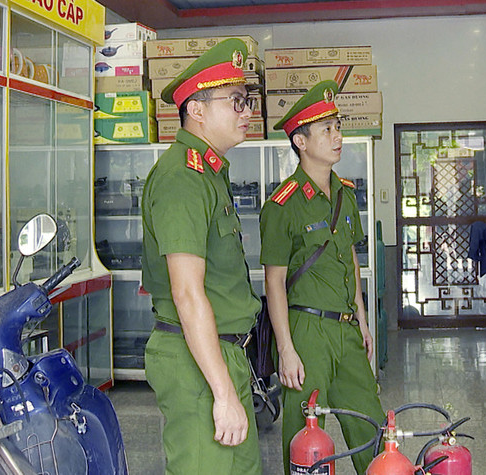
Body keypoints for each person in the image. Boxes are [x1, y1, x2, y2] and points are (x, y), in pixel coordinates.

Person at [141, 38, 262, 474]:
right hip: (196, 360)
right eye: (236, 101)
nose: (246, 111)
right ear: (197, 110)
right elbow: (187, 293)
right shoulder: (183, 178)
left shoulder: (209, 174)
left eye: (246, 101)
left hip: (220, 354)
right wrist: (223, 393)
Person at [259, 80, 385, 474]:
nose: (338, 137)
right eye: (326, 129)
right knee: (305, 437)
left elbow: (349, 259)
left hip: (346, 331)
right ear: (300, 140)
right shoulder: (283, 205)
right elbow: (274, 282)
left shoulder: (346, 195)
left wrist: (363, 322)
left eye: (338, 127)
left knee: (371, 423)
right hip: (306, 331)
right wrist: (286, 349)